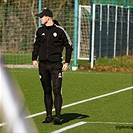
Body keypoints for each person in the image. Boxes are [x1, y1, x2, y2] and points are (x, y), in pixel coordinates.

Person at [32, 8, 73, 124]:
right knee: (47, 90)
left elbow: (69, 46)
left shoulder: (60, 31)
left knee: (56, 90)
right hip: (43, 65)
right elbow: (36, 45)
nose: (40, 19)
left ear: (48, 17)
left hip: (56, 65)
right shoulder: (40, 31)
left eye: (41, 17)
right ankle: (49, 116)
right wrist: (34, 58)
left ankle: (58, 116)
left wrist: (66, 62)